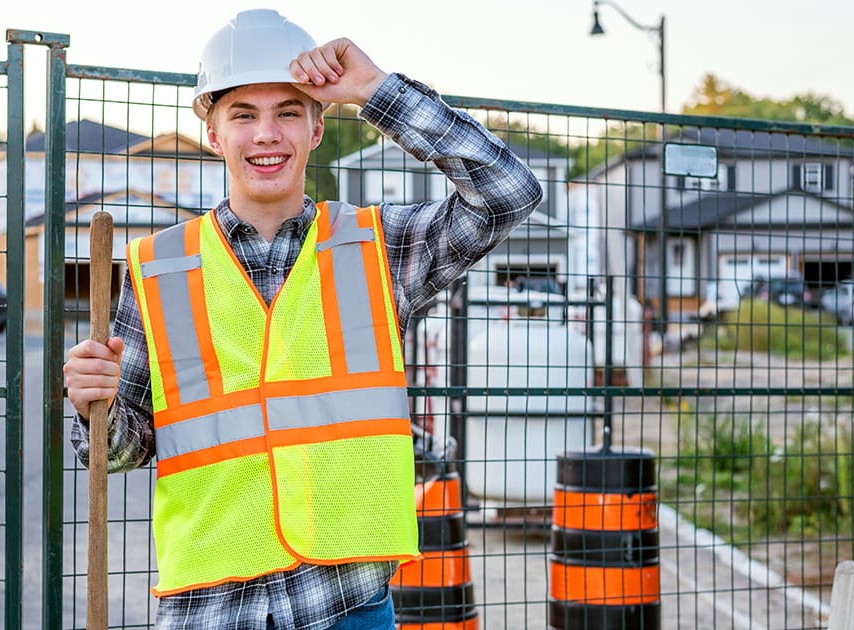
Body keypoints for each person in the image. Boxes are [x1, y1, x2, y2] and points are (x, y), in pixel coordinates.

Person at [63, 9, 542, 629]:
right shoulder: (158, 269)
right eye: (243, 114)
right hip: (208, 607)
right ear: (213, 133)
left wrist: (376, 92)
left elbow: (509, 190)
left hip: (344, 603)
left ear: (318, 128)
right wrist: (91, 401)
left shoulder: (380, 250)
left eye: (288, 112)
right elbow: (122, 449)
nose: (267, 134)